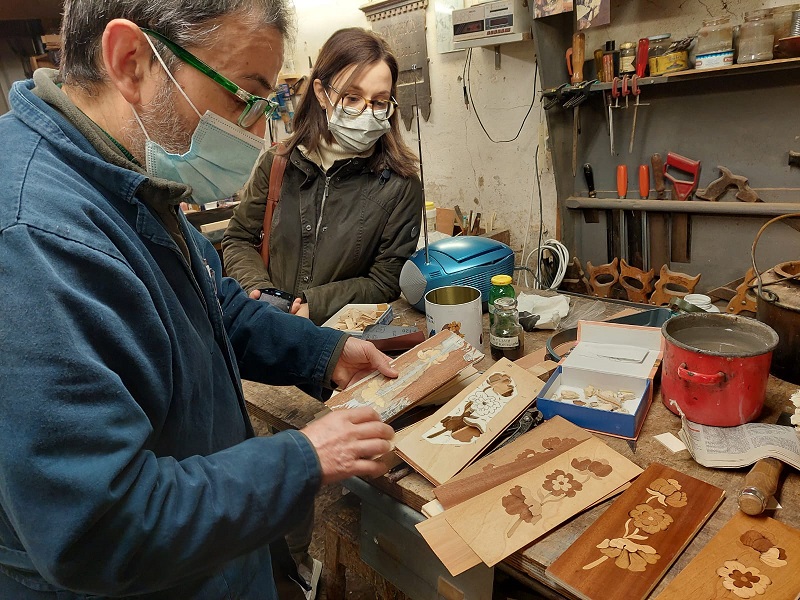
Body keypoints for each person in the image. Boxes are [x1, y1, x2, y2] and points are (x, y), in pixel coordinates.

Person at [0, 1, 397, 598]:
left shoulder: (121, 176)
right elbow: (98, 528)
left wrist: (324, 353)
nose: (254, 131)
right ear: (132, 61)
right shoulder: (36, 239)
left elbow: (212, 306)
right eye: (243, 95)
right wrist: (302, 459)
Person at [223, 27, 423, 325]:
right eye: (352, 97)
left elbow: (385, 281)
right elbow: (239, 238)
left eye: (379, 102)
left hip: (341, 339)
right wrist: (260, 291)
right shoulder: (279, 163)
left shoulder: (399, 186)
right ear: (321, 93)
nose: (366, 113)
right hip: (268, 325)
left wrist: (313, 305)